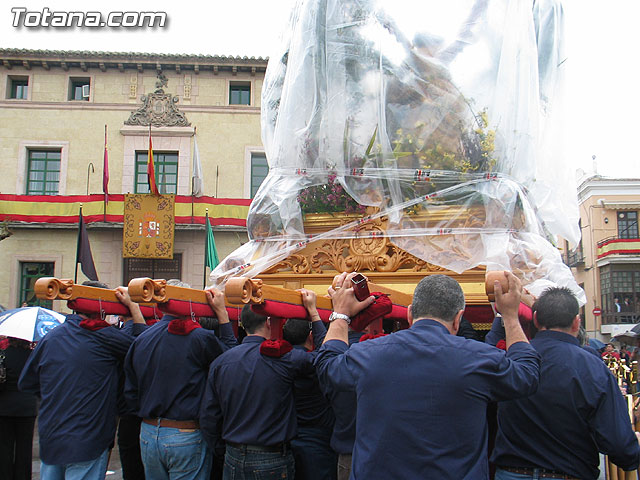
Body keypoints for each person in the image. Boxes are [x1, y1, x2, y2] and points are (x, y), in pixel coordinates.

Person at [315, 271, 540, 478]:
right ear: (458, 319)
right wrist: (510, 316)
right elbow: (527, 374)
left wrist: (341, 315)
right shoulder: (479, 358)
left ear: (410, 314)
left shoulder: (368, 355)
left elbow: (327, 366)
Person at [492, 286, 640, 479]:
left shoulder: (510, 360)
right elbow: (619, 447)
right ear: (576, 323)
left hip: (512, 473)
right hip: (569, 473)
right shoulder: (593, 368)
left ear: (535, 320)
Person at [18, 281, 147, 480]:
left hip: (53, 434)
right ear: (104, 307)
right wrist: (134, 311)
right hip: (90, 436)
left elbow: (27, 382)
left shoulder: (51, 338)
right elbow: (143, 349)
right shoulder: (104, 337)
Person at [124, 280, 237, 480]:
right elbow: (230, 360)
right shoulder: (198, 337)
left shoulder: (142, 339)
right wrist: (222, 314)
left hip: (148, 433)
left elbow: (131, 392)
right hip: (184, 434)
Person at [200, 296, 322, 479]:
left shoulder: (221, 362)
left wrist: (222, 449)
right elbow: (324, 360)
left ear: (243, 325)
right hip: (270, 457)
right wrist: (314, 313)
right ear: (269, 322)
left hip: (232, 454)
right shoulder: (283, 359)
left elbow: (209, 416)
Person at [282, 290, 337, 480]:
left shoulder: (279, 363)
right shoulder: (313, 362)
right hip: (318, 442)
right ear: (311, 337)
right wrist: (314, 312)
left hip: (287, 439)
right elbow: (327, 350)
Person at [0, 336, 37, 480]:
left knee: (4, 447)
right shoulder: (33, 358)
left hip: (4, 407)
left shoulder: (3, 355)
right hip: (27, 407)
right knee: (24, 448)